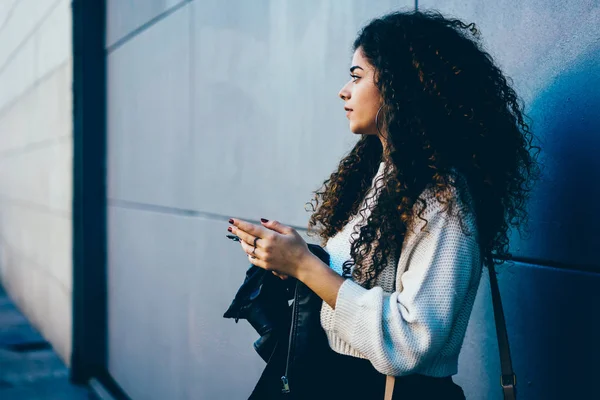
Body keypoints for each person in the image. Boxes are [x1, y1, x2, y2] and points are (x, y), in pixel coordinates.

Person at [226, 9, 541, 399]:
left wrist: (306, 266)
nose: (344, 90)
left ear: (400, 86)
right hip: (342, 381)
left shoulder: (443, 198)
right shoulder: (384, 177)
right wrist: (289, 264)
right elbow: (356, 286)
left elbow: (410, 343)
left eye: (357, 76)